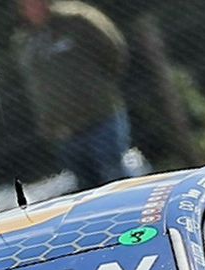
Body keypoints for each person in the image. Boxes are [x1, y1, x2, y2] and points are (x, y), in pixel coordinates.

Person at [12, 0, 132, 191]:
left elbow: (113, 50)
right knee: (87, 190)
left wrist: (97, 89)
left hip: (100, 118)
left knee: (116, 180)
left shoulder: (78, 19)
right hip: (64, 131)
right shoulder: (24, 40)